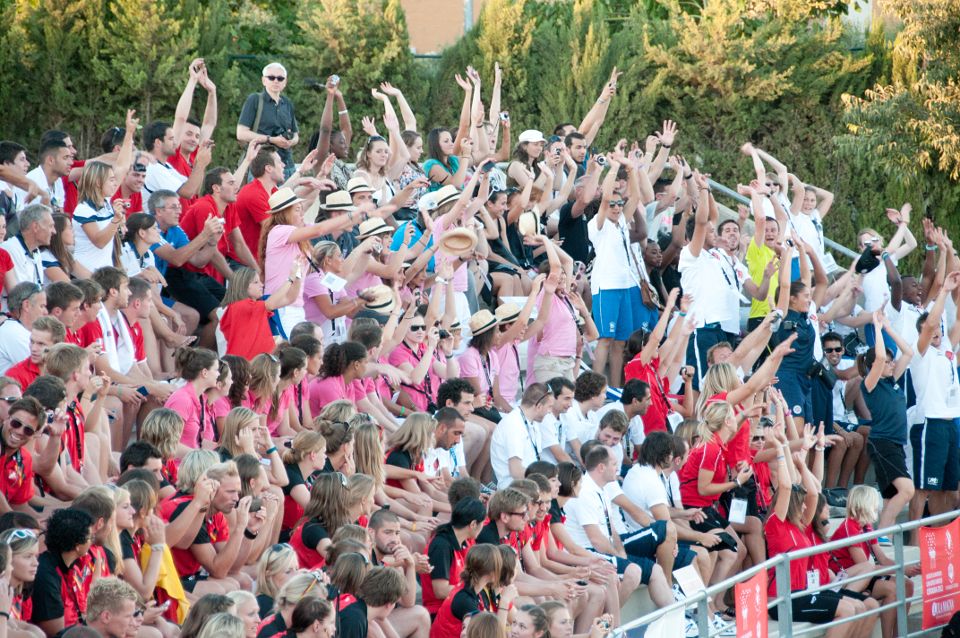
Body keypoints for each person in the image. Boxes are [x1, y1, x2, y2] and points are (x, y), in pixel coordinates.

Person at [764, 425, 879, 636]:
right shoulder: (776, 524)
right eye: (802, 505)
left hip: (805, 592)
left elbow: (815, 494)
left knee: (865, 607)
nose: (808, 508)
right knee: (849, 609)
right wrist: (781, 449)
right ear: (791, 506)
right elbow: (787, 487)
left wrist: (805, 457)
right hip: (782, 598)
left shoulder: (802, 524)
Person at [30, 507, 96, 635]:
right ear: (77, 545)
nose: (92, 542)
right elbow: (56, 633)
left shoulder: (73, 566)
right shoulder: (46, 576)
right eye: (90, 538)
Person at [237, 63, 300, 179]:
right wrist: (271, 139)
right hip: (261, 166)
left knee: (288, 197)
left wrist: (290, 142)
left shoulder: (287, 103)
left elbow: (296, 135)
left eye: (280, 78)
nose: (276, 81)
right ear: (263, 80)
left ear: (285, 82)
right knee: (262, 197)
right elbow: (241, 133)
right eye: (271, 77)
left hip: (287, 165)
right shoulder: (254, 100)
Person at [490, 384, 554, 490]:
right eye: (549, 407)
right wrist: (545, 484)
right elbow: (516, 471)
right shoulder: (513, 424)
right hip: (515, 492)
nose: (550, 412)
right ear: (539, 406)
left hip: (529, 486)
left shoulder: (532, 422)